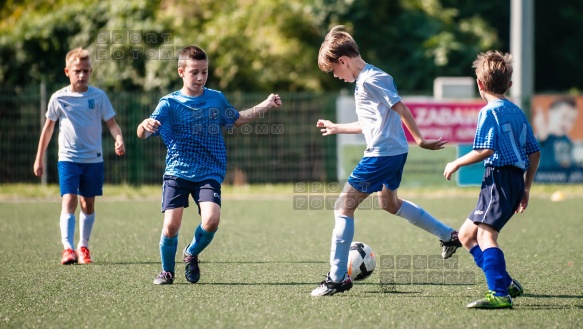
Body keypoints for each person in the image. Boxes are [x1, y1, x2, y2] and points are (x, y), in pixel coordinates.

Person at [310, 25, 461, 297]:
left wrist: (421, 139)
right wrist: (336, 127)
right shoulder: (366, 79)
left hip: (381, 155)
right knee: (389, 203)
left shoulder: (371, 79)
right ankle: (449, 235)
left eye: (334, 71)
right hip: (393, 153)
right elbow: (369, 123)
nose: (336, 76)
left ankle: (336, 279)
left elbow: (400, 107)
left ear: (343, 61)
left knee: (343, 207)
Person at [137, 45, 281, 285]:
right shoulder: (169, 103)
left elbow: (237, 119)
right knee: (171, 226)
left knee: (212, 219)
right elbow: (142, 133)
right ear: (181, 72)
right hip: (177, 172)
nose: (201, 77)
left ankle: (191, 253)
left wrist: (266, 104)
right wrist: (144, 124)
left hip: (209, 171)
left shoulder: (216, 98)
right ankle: (166, 271)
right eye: (195, 72)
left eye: (204, 72)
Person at [444, 50, 541, 309]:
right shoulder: (517, 111)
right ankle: (506, 283)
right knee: (466, 236)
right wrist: (526, 187)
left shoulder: (489, 112)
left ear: (480, 84)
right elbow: (535, 151)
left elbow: (485, 150)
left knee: (486, 236)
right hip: (512, 180)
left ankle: (499, 293)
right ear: (509, 85)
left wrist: (456, 162)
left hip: (498, 179)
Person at [33, 47, 126, 265]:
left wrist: (118, 139)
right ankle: (68, 249)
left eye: (86, 71)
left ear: (90, 71)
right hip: (68, 158)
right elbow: (47, 129)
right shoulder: (59, 98)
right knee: (70, 199)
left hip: (93, 159)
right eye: (77, 71)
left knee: (88, 204)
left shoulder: (99, 96)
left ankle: (83, 246)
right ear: (67, 72)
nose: (82, 75)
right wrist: (39, 158)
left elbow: (112, 124)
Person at [533, 96, 578, 169]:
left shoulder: (567, 140)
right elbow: (542, 132)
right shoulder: (545, 137)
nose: (567, 123)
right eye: (564, 117)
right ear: (551, 112)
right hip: (546, 176)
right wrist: (541, 124)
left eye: (572, 120)